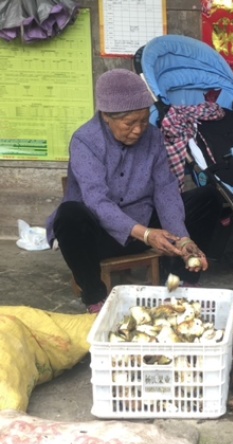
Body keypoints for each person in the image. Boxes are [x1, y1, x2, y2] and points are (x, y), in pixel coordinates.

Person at [46, 68, 222, 313]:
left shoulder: (153, 137)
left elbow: (165, 189)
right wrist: (147, 234)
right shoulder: (85, 141)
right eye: (130, 123)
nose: (139, 130)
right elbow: (97, 201)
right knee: (68, 215)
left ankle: (179, 282)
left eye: (143, 120)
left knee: (208, 198)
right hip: (101, 235)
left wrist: (182, 239)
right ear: (107, 116)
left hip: (144, 221)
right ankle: (95, 298)